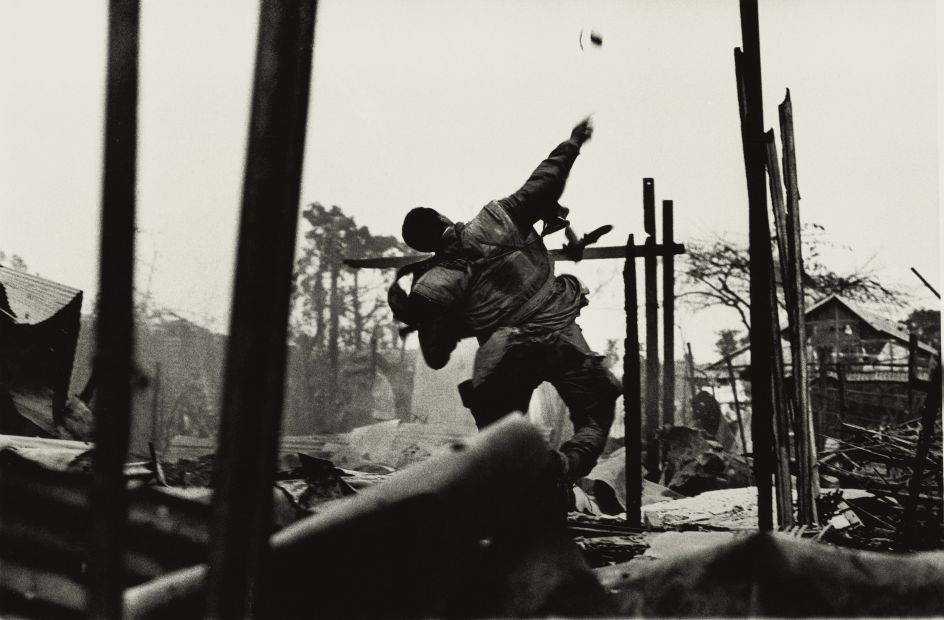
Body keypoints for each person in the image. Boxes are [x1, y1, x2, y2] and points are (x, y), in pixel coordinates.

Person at [388, 118, 621, 485]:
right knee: (595, 412)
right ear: (441, 217)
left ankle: (533, 479)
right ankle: (564, 468)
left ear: (421, 246)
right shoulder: (496, 219)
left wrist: (443, 320)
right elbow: (545, 181)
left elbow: (435, 356)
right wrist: (573, 143)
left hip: (504, 354)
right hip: (559, 335)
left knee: (499, 435)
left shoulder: (434, 284)